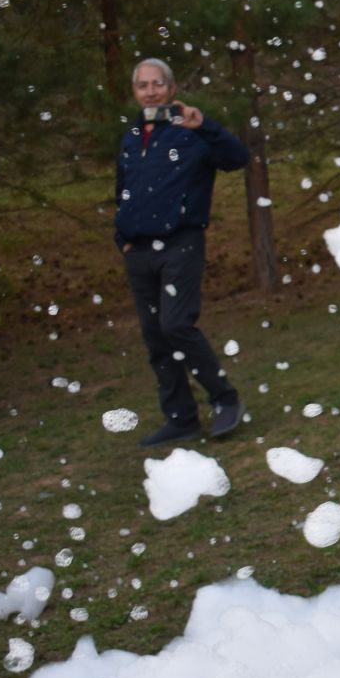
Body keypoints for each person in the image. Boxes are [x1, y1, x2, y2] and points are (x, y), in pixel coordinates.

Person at [114, 58, 249, 447]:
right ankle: (181, 418)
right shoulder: (131, 138)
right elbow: (122, 189)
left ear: (171, 89)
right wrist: (119, 234)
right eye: (143, 85)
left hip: (180, 243)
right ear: (136, 92)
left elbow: (238, 158)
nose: (151, 91)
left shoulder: (192, 132)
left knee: (176, 324)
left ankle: (226, 399)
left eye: (158, 84)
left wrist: (205, 126)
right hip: (137, 250)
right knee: (156, 337)